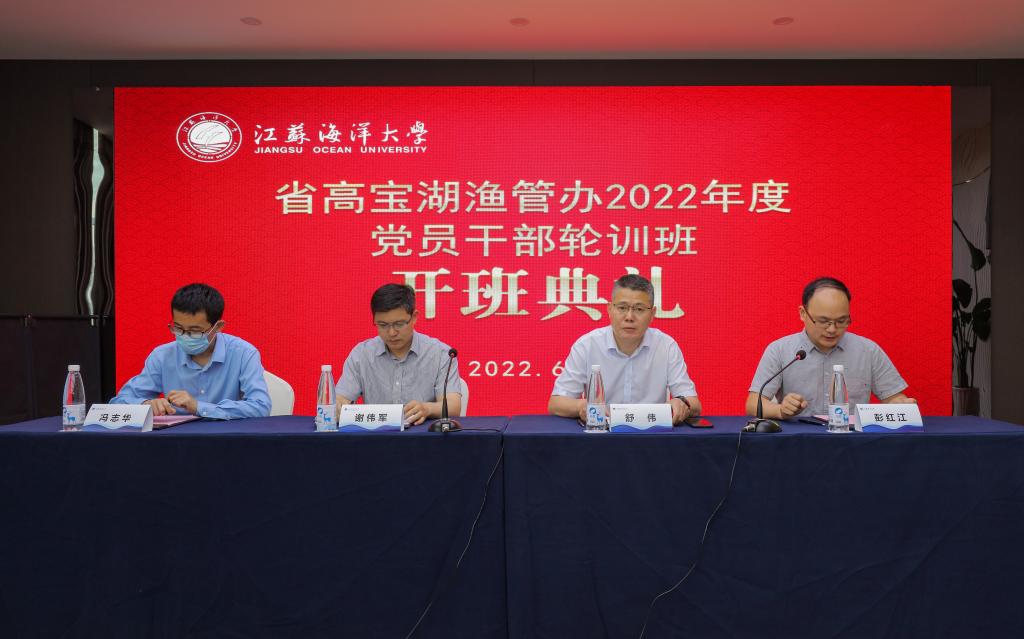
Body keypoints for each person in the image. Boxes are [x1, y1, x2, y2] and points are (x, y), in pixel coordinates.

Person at [746, 277, 916, 420]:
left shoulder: (868, 350)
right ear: (803, 313)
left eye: (841, 321)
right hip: (800, 441)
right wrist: (780, 410)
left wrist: (901, 404)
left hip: (854, 441)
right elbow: (753, 404)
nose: (832, 329)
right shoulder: (780, 350)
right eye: (823, 321)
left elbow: (894, 398)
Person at [548, 273, 700, 425]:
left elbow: (694, 403)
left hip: (652, 432)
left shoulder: (666, 346)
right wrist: (581, 406)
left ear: (652, 314)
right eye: (622, 308)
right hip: (602, 431)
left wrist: (681, 402)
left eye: (639, 309)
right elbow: (556, 403)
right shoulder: (587, 345)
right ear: (609, 309)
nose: (629, 317)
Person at [111, 283, 271, 419]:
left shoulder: (243, 353)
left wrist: (198, 407)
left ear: (218, 327)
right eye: (178, 328)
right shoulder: (162, 356)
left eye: (195, 331)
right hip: (176, 440)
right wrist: (145, 404)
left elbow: (260, 407)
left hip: (227, 439)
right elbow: (119, 402)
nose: (185, 336)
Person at [336, 283, 462, 426]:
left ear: (414, 317)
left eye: (399, 324)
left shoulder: (441, 354)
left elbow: (453, 406)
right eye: (382, 325)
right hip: (375, 435)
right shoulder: (362, 354)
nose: (391, 333)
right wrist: (339, 404)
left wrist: (427, 409)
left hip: (423, 435)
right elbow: (341, 398)